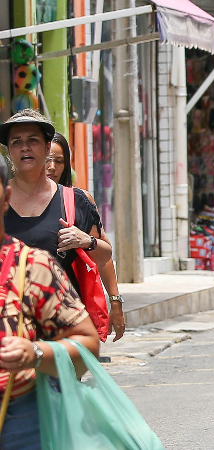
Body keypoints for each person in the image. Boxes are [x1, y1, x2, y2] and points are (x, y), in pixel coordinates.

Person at [0, 154, 100, 449]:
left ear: (6, 197)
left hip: (20, 420)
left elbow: (88, 344)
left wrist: (36, 353)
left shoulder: (32, 266)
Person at [0, 109, 112, 306]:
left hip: (63, 322)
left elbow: (104, 256)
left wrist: (86, 241)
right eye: (16, 142)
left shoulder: (75, 200)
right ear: (9, 151)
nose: (25, 147)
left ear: (47, 147)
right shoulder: (1, 199)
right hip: (9, 320)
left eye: (33, 140)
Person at [47, 132, 125, 342]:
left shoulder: (78, 201)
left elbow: (103, 254)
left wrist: (115, 302)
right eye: (47, 160)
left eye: (59, 161)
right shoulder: (12, 199)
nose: (52, 166)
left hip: (70, 313)